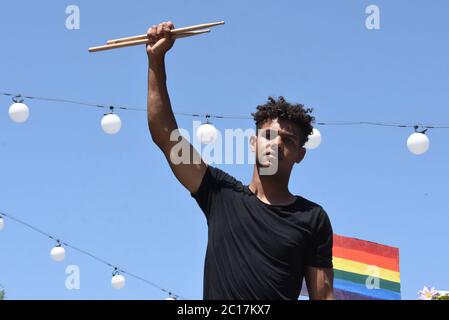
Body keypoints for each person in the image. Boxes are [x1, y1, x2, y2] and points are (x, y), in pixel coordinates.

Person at [146, 21, 334, 300]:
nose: (277, 143)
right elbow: (165, 136)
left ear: (300, 155)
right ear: (253, 143)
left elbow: (323, 297)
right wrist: (156, 61)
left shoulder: (312, 218)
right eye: (269, 135)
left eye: (288, 140)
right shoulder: (221, 193)